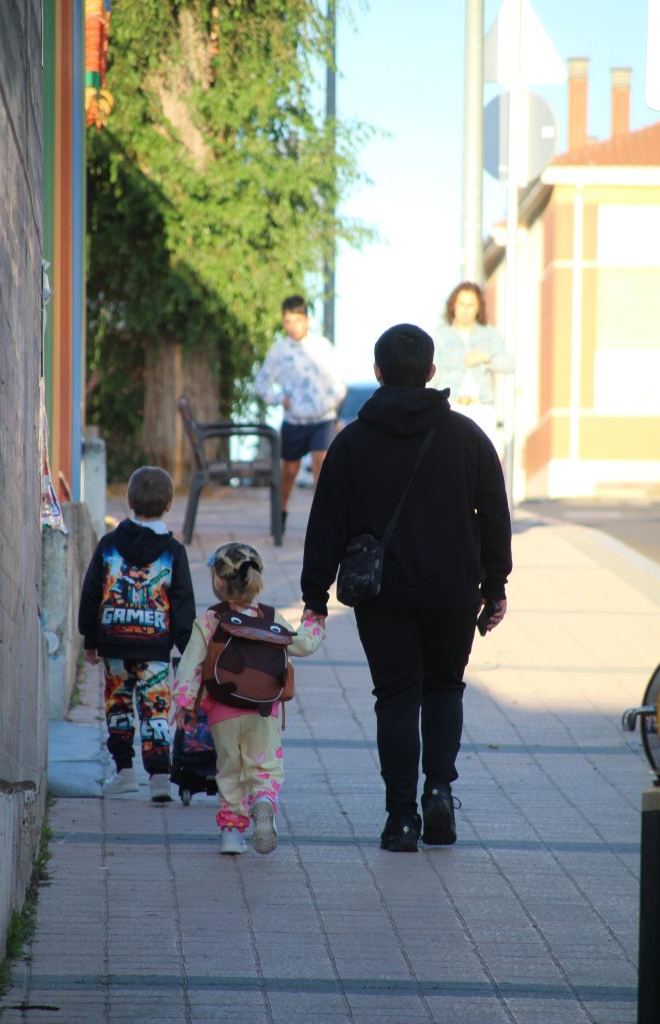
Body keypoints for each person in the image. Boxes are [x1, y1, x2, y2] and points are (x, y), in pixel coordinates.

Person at [301, 324, 512, 852]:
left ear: (377, 373)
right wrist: (495, 583)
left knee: (396, 699)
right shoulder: (468, 438)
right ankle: (438, 789)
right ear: (433, 373)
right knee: (445, 687)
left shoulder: (351, 442)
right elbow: (494, 515)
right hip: (453, 589)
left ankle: (401, 819)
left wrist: (313, 598)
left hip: (384, 595)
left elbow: (326, 522)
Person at [172, 542, 325, 855]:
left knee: (229, 770)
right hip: (263, 710)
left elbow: (189, 666)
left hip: (222, 712)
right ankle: (265, 801)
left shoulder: (210, 621)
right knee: (263, 766)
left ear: (218, 582)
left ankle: (231, 835)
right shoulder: (271, 618)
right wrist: (315, 622)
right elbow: (304, 645)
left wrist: (185, 706)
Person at [79, 466, 196, 802]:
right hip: (155, 648)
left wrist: (90, 639)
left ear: (129, 501)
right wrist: (187, 649)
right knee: (155, 708)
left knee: (118, 705)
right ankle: (160, 777)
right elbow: (183, 603)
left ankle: (125, 773)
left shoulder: (109, 545)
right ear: (170, 504)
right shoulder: (173, 552)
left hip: (115, 644)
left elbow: (91, 593)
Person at [255, 295, 347, 532]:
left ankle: (323, 521)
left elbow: (338, 381)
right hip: (294, 420)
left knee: (322, 465)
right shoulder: (279, 350)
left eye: (297, 320)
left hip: (322, 419)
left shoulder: (322, 347)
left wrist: (330, 403)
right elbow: (262, 383)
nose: (292, 326)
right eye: (287, 321)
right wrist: (280, 400)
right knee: (289, 471)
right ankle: (280, 516)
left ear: (306, 320)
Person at [432, 281, 514, 449]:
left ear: (479, 308)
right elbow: (432, 374)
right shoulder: (440, 335)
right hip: (450, 405)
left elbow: (509, 365)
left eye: (471, 305)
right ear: (453, 305)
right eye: (461, 304)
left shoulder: (489, 334)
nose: (465, 309)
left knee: (483, 463)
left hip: (481, 407)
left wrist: (486, 358)